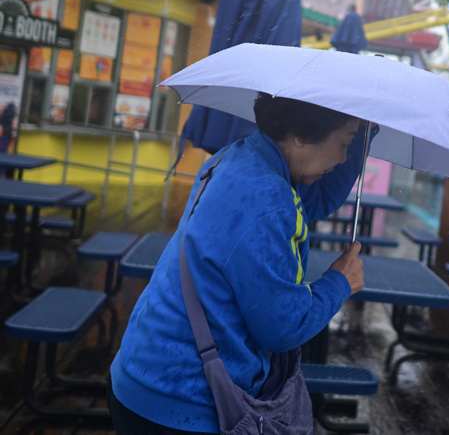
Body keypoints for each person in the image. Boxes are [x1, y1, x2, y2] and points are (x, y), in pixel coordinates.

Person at [108, 93, 371, 434]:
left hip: (143, 371)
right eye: (344, 142)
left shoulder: (238, 156)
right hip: (183, 402)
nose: (344, 157)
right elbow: (283, 328)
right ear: (302, 135)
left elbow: (316, 198)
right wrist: (340, 282)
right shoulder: (270, 201)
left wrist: (363, 131)